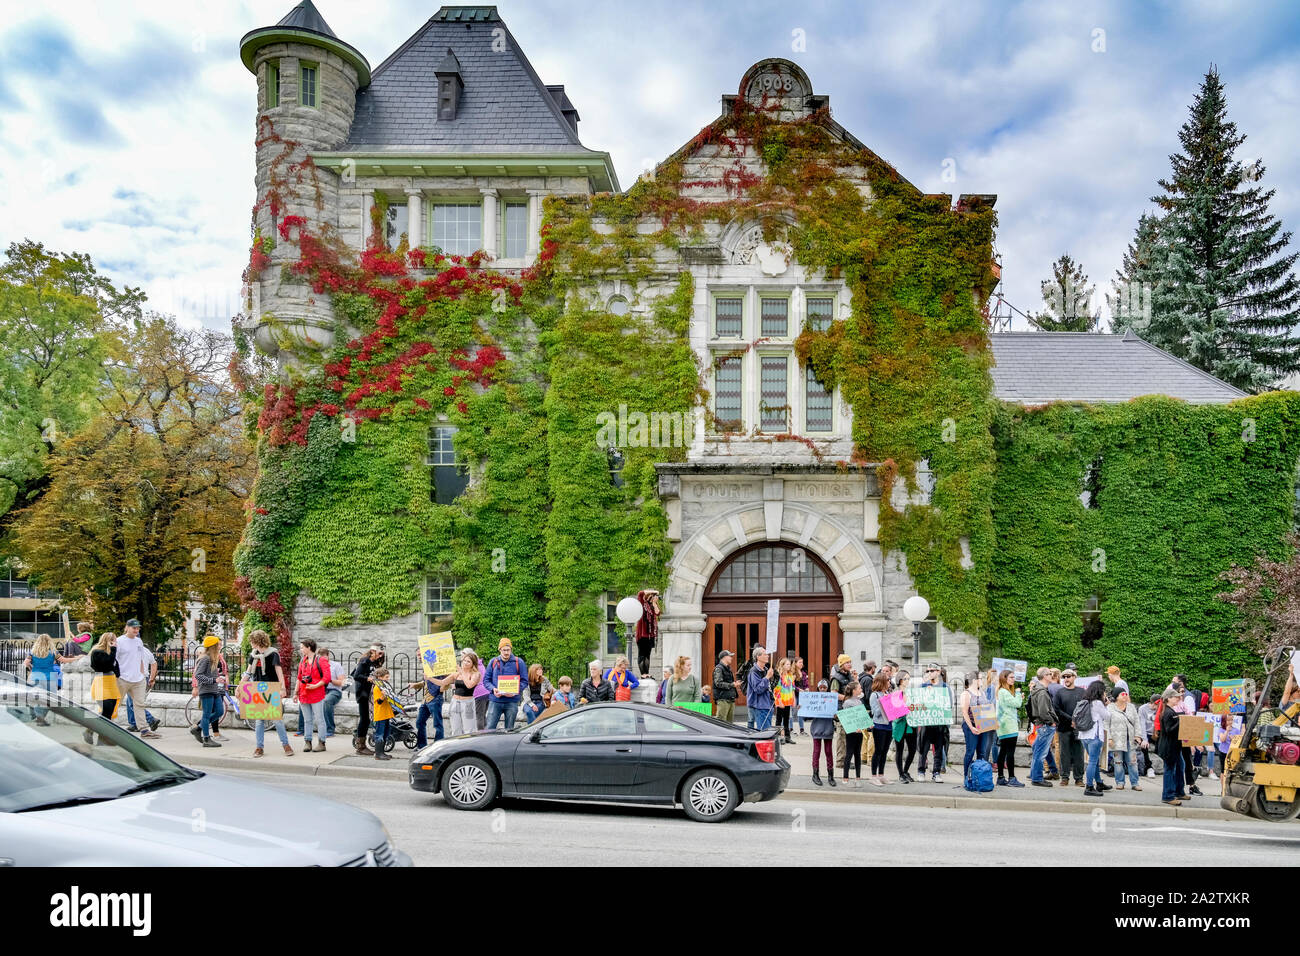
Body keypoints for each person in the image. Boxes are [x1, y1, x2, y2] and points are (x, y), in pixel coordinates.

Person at [246, 629, 294, 758]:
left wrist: (282, 688)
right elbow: (248, 672)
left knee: (277, 719)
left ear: (258, 641)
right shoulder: (253, 654)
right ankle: (259, 747)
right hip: (257, 688)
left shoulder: (273, 654)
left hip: (271, 688)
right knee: (259, 720)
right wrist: (241, 685)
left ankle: (286, 745)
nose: (250, 643)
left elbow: (279, 672)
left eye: (252, 640)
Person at [115, 619, 160, 737]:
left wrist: (141, 674)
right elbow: (114, 660)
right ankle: (104, 725)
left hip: (138, 680)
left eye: (138, 628)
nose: (136, 630)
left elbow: (140, 658)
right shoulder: (119, 641)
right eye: (133, 628)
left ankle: (144, 730)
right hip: (123, 678)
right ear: (127, 628)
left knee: (139, 704)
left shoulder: (139, 641)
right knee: (114, 704)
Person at [1052, 669, 1086, 787]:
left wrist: (1077, 720)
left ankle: (1079, 778)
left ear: (1074, 677)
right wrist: (1070, 719)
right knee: (1064, 753)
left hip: (1078, 728)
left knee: (1079, 754)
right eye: (1064, 676)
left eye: (1069, 676)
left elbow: (1086, 707)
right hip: (1063, 727)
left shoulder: (1082, 692)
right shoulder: (1060, 692)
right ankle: (1065, 777)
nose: (1066, 678)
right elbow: (1056, 709)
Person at [294, 638, 329, 752]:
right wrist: (295, 693)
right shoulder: (302, 661)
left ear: (309, 647)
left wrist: (315, 686)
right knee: (307, 720)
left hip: (317, 693)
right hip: (304, 693)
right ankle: (307, 742)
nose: (301, 649)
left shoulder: (321, 660)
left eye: (302, 647)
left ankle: (321, 743)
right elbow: (299, 678)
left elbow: (326, 677)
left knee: (320, 719)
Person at [916, 664, 949, 783]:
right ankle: (921, 771)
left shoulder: (945, 687)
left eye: (932, 670)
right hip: (926, 723)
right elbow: (917, 703)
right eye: (927, 671)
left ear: (939, 671)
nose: (929, 672)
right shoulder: (922, 686)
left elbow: (948, 705)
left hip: (939, 723)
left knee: (939, 749)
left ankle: (936, 772)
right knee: (923, 749)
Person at [485, 638, 527, 731]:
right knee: (489, 728)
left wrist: (516, 690)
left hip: (512, 701)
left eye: (508, 650)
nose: (506, 652)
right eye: (504, 650)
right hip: (495, 701)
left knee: (509, 730)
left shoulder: (518, 662)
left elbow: (524, 681)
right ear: (499, 650)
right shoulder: (493, 662)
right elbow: (486, 681)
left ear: (511, 650)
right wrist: (493, 689)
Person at [24, 635, 67, 725]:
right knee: (50, 700)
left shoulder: (33, 652)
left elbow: (26, 663)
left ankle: (39, 717)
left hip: (36, 677)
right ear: (49, 641)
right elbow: (63, 660)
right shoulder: (53, 652)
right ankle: (40, 718)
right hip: (50, 678)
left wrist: (30, 667)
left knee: (38, 698)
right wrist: (77, 658)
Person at [1154, 689, 1187, 806]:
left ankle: (1178, 791)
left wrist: (1179, 719)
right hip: (1169, 747)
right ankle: (1168, 796)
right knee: (1169, 770)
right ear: (1168, 698)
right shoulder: (1168, 712)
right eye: (1175, 697)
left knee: (1179, 767)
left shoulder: (1169, 711)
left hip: (1173, 746)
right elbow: (1168, 730)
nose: (1177, 698)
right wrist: (1181, 721)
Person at [1078, 680, 1110, 796]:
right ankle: (1089, 787)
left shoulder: (1085, 701)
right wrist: (1106, 705)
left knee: (1094, 761)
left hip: (1084, 735)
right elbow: (1107, 717)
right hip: (1094, 736)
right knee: (1092, 762)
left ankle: (1099, 783)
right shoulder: (1097, 703)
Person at [1027, 666, 1057, 788]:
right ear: (1045, 676)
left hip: (1041, 725)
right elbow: (1044, 712)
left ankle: (1035, 775)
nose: (1052, 675)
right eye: (1050, 674)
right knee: (1040, 754)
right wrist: (1051, 722)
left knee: (1038, 751)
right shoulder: (1042, 692)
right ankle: (1037, 778)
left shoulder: (1037, 690)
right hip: (1045, 725)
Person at [88, 632, 120, 745]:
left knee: (108, 714)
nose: (116, 643)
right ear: (108, 640)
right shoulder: (97, 652)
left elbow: (116, 670)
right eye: (114, 641)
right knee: (106, 712)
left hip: (111, 684)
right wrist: (113, 650)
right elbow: (106, 665)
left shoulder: (110, 653)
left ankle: (94, 733)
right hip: (101, 683)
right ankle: (99, 738)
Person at [193, 636, 225, 748]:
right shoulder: (205, 658)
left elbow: (210, 674)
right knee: (206, 715)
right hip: (206, 690)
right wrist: (213, 680)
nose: (219, 647)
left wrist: (218, 679)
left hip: (214, 690)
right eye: (218, 645)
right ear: (213, 646)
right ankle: (206, 739)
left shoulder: (213, 658)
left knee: (220, 711)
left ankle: (199, 728)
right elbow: (198, 675)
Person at [1107, 687, 1142, 791]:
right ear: (1117, 697)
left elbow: (1137, 722)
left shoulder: (1131, 707)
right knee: (1118, 762)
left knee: (1132, 761)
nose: (1125, 696)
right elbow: (1106, 724)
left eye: (1126, 694)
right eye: (1122, 694)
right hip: (1116, 739)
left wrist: (1138, 735)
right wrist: (1109, 738)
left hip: (1130, 739)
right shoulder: (1110, 708)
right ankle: (1120, 782)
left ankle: (1135, 783)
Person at [352, 644, 384, 755]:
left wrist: (381, 657)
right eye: (378, 652)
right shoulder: (364, 660)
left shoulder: (374, 662)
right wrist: (367, 678)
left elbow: (380, 670)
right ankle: (360, 746)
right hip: (363, 694)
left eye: (381, 653)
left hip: (370, 693)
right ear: (372, 651)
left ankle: (359, 740)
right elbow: (356, 675)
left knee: (367, 719)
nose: (380, 655)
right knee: (364, 719)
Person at [995, 669, 1024, 787]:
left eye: (1013, 677)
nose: (1013, 679)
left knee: (1003, 752)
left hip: (1003, 726)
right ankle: (1011, 778)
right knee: (1010, 753)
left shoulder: (1002, 691)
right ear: (1004, 678)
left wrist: (1017, 696)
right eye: (1011, 677)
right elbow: (1017, 704)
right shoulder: (1003, 692)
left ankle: (1001, 777)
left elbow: (1012, 704)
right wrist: (1018, 694)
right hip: (1009, 726)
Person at [959, 672, 989, 779]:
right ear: (974, 680)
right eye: (981, 678)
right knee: (970, 751)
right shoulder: (966, 693)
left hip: (982, 725)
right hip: (970, 725)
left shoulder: (982, 692)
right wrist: (971, 728)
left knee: (982, 752)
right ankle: (967, 776)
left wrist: (989, 722)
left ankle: (979, 776)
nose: (983, 680)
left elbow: (986, 708)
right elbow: (964, 712)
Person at [408, 669, 449, 748]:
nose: (419, 656)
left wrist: (442, 689)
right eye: (418, 655)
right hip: (425, 700)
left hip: (435, 698)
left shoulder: (440, 668)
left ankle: (437, 746)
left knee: (437, 724)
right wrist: (415, 685)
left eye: (420, 655)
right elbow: (425, 682)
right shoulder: (428, 667)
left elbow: (447, 680)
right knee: (419, 722)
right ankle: (422, 746)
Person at [809, 679, 837, 787]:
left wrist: (836, 716)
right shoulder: (814, 699)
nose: (822, 690)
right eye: (820, 687)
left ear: (827, 688)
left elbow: (837, 716)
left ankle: (831, 775)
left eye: (824, 688)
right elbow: (807, 715)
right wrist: (802, 709)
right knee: (816, 752)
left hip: (828, 728)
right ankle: (815, 774)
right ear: (818, 688)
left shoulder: (831, 700)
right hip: (817, 729)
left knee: (828, 752)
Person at [828, 654, 855, 767]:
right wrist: (847, 698)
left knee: (849, 735)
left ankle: (847, 759)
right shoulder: (836, 678)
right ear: (841, 664)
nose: (849, 664)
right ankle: (840, 761)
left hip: (849, 708)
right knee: (842, 736)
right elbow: (833, 694)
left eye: (850, 662)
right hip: (841, 709)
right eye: (847, 662)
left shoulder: (849, 676)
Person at [448, 650, 481, 736]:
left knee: (469, 730)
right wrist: (430, 678)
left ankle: (469, 748)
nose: (465, 662)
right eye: (464, 660)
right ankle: (456, 748)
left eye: (468, 661)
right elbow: (443, 682)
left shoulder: (476, 674)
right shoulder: (458, 673)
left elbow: (469, 685)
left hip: (468, 703)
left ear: (473, 664)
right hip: (455, 701)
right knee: (455, 730)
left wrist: (462, 672)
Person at [868, 672, 892, 786]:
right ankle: (873, 776)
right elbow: (875, 713)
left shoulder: (887, 693)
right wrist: (885, 702)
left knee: (885, 751)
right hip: (879, 726)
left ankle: (881, 775)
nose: (889, 682)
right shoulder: (875, 695)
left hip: (889, 725)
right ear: (882, 681)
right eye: (887, 680)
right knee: (878, 751)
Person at [893, 670, 918, 784]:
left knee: (912, 749)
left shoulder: (911, 693)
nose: (908, 681)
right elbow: (895, 713)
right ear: (900, 680)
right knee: (900, 750)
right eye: (906, 679)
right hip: (900, 725)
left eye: (909, 679)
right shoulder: (896, 694)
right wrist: (906, 708)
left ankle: (906, 771)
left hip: (912, 725)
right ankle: (900, 774)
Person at [840, 680, 865, 785]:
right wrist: (854, 728)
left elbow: (862, 717)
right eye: (859, 688)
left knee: (857, 754)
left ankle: (858, 777)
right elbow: (847, 719)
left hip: (859, 732)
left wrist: (866, 724)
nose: (861, 689)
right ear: (854, 691)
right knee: (849, 753)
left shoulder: (859, 701)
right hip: (851, 732)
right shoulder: (847, 702)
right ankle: (845, 776)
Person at [746, 647, 775, 731]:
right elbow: (758, 689)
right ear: (758, 657)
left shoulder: (766, 669)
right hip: (760, 705)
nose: (768, 656)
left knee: (767, 730)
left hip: (768, 704)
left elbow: (769, 686)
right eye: (765, 654)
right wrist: (767, 677)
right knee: (764, 731)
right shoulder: (754, 671)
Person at [320, 648, 346, 738]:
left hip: (334, 691)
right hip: (320, 689)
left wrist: (329, 679)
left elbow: (342, 682)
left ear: (328, 656)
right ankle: (301, 729)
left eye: (324, 657)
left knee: (326, 701)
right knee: (304, 700)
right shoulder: (317, 666)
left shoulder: (336, 665)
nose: (322, 660)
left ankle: (330, 729)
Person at [370, 666, 395, 760]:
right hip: (380, 715)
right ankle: (378, 754)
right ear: (380, 677)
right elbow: (379, 702)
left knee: (385, 733)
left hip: (386, 714)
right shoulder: (377, 688)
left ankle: (382, 752)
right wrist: (383, 696)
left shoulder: (385, 686)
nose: (388, 679)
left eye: (388, 677)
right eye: (386, 677)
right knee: (379, 734)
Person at [634, 588, 660, 677]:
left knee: (647, 655)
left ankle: (647, 673)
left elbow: (658, 612)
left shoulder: (652, 606)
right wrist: (654, 592)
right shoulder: (642, 604)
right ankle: (643, 674)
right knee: (642, 654)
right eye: (654, 597)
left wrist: (654, 603)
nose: (656, 597)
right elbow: (640, 593)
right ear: (650, 596)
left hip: (650, 635)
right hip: (642, 634)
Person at [712, 650, 740, 724]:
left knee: (729, 724)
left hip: (730, 699)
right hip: (723, 700)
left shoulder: (728, 668)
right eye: (730, 656)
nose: (731, 658)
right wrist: (732, 685)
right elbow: (718, 683)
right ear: (724, 657)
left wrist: (734, 684)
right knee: (721, 723)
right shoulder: (719, 668)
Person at [772, 658, 795, 744]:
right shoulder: (779, 676)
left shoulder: (790, 676)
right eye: (787, 664)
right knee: (779, 719)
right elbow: (777, 690)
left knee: (786, 719)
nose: (789, 666)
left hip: (788, 700)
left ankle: (787, 736)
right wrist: (779, 701)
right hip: (781, 700)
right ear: (782, 665)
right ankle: (778, 737)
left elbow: (792, 688)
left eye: (789, 664)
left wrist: (793, 699)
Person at [1137, 692, 1160, 778]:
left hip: (1156, 733)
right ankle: (1149, 768)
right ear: (1154, 703)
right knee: (1144, 747)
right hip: (1145, 733)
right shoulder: (1143, 709)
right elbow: (1142, 725)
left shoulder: (1160, 709)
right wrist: (1144, 739)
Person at [794, 656, 810, 735]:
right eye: (799, 662)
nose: (801, 664)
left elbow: (806, 683)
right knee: (793, 710)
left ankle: (802, 729)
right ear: (795, 663)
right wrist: (798, 689)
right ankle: (790, 729)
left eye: (802, 662)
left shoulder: (803, 673)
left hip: (802, 694)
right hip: (794, 693)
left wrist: (807, 688)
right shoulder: (793, 673)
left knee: (801, 711)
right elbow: (791, 685)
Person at [473, 655, 490, 730]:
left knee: (479, 716)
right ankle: (485, 732)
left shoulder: (475, 667)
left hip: (479, 693)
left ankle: (480, 735)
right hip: (486, 692)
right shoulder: (481, 664)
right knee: (482, 715)